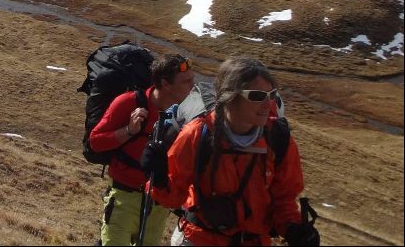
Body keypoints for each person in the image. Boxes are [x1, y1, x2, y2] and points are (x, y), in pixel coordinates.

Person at [152, 57, 316, 246]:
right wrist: (159, 178)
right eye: (256, 96)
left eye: (271, 95)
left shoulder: (278, 139)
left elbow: (284, 200)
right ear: (230, 96)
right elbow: (172, 196)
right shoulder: (197, 135)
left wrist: (294, 229)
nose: (268, 104)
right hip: (200, 239)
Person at [90, 54, 196, 245]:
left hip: (158, 206)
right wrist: (129, 131)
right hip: (124, 198)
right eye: (186, 81)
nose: (192, 86)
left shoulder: (185, 115)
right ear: (166, 84)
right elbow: (96, 141)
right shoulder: (128, 102)